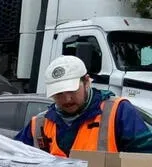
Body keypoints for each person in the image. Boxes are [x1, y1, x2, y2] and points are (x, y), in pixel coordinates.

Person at [15, 55, 152, 155]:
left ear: (87, 82)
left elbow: (145, 158)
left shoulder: (118, 112)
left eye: (72, 91)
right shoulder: (39, 125)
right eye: (58, 94)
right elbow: (11, 154)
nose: (67, 99)